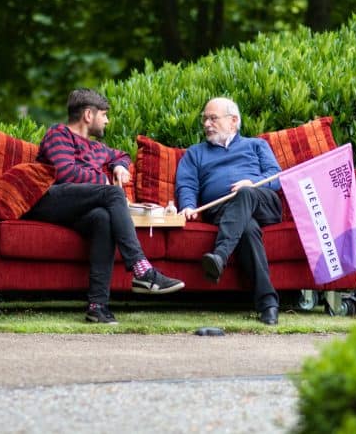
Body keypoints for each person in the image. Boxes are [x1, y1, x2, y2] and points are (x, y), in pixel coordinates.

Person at [24, 88, 185, 325]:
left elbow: (122, 155)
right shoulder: (58, 134)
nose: (107, 120)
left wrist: (120, 166)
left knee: (103, 219)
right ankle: (142, 270)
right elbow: (65, 173)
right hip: (50, 200)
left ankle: (97, 306)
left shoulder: (97, 148)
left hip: (77, 209)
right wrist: (105, 180)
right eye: (104, 115)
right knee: (112, 194)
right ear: (89, 115)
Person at [175, 97, 283, 325]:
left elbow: (276, 177)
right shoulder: (195, 153)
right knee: (247, 229)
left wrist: (251, 183)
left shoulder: (256, 145)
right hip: (222, 210)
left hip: (263, 202)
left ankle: (220, 256)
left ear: (233, 121)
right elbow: (186, 185)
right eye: (204, 119)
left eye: (213, 118)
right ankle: (268, 305)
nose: (206, 124)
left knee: (245, 194)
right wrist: (187, 205)